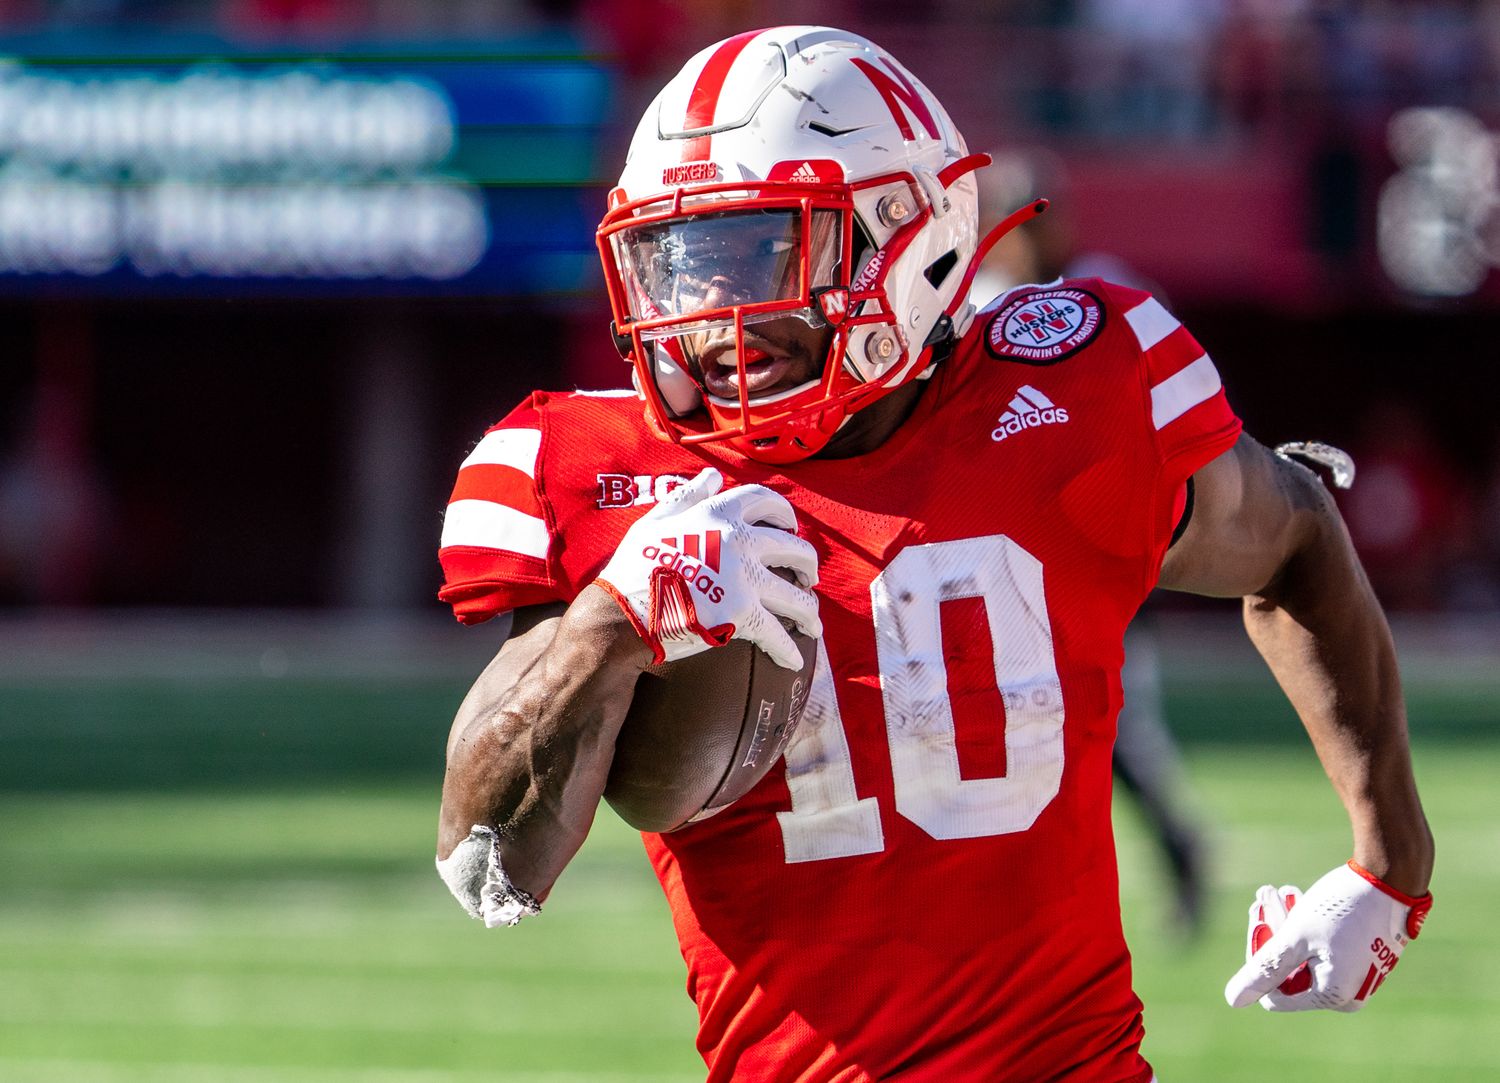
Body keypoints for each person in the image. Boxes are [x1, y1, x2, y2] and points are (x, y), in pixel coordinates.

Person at [434, 26, 1434, 1082]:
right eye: (680, 262)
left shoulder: (1073, 391)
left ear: (911, 238)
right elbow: (488, 870)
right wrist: (613, 622)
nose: (712, 314)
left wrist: (1391, 862)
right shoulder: (595, 470)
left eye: (766, 249)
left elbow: (1295, 535)